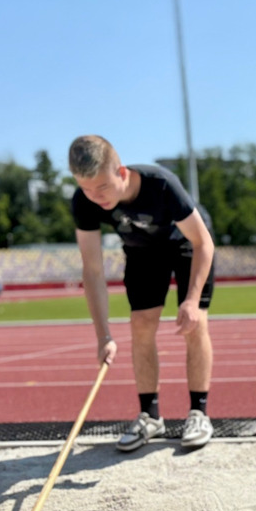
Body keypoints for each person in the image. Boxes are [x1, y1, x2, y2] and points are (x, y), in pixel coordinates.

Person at [69, 135, 217, 450]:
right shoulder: (84, 202)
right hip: (143, 250)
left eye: (103, 188)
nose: (96, 197)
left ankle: (198, 413)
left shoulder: (161, 184)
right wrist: (103, 335)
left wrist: (191, 301)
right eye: (87, 189)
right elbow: (93, 270)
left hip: (187, 242)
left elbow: (204, 243)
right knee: (141, 325)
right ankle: (149, 416)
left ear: (121, 173)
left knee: (195, 323)